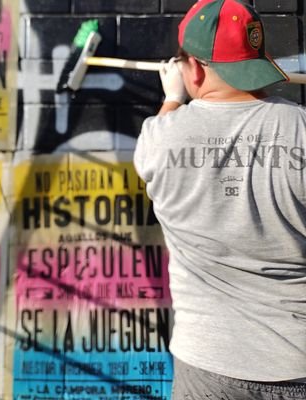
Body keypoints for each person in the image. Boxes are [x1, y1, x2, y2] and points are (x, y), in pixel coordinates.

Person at [133, 0, 306, 399]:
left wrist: (174, 97)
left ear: (192, 68)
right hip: (297, 362)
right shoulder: (299, 129)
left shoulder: (159, 138)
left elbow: (157, 144)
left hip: (208, 364)